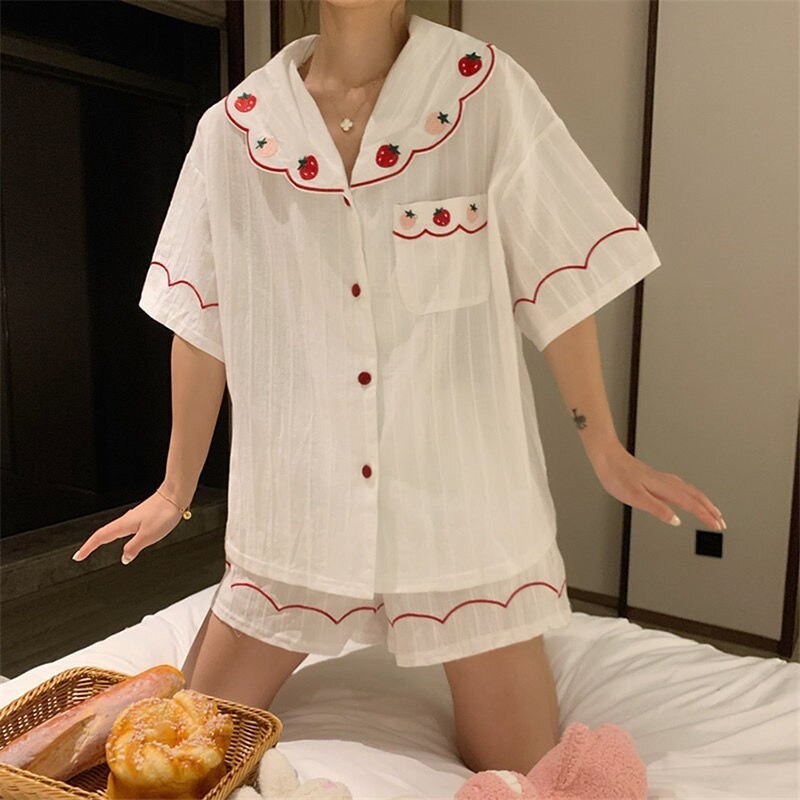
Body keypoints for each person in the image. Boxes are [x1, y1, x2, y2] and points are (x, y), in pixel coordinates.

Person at [72, 0, 726, 775]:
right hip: (296, 516)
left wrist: (606, 447)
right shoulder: (237, 131)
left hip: (464, 517)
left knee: (523, 774)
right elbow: (201, 315)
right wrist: (174, 488)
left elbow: (557, 274)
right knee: (182, 754)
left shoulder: (482, 92)